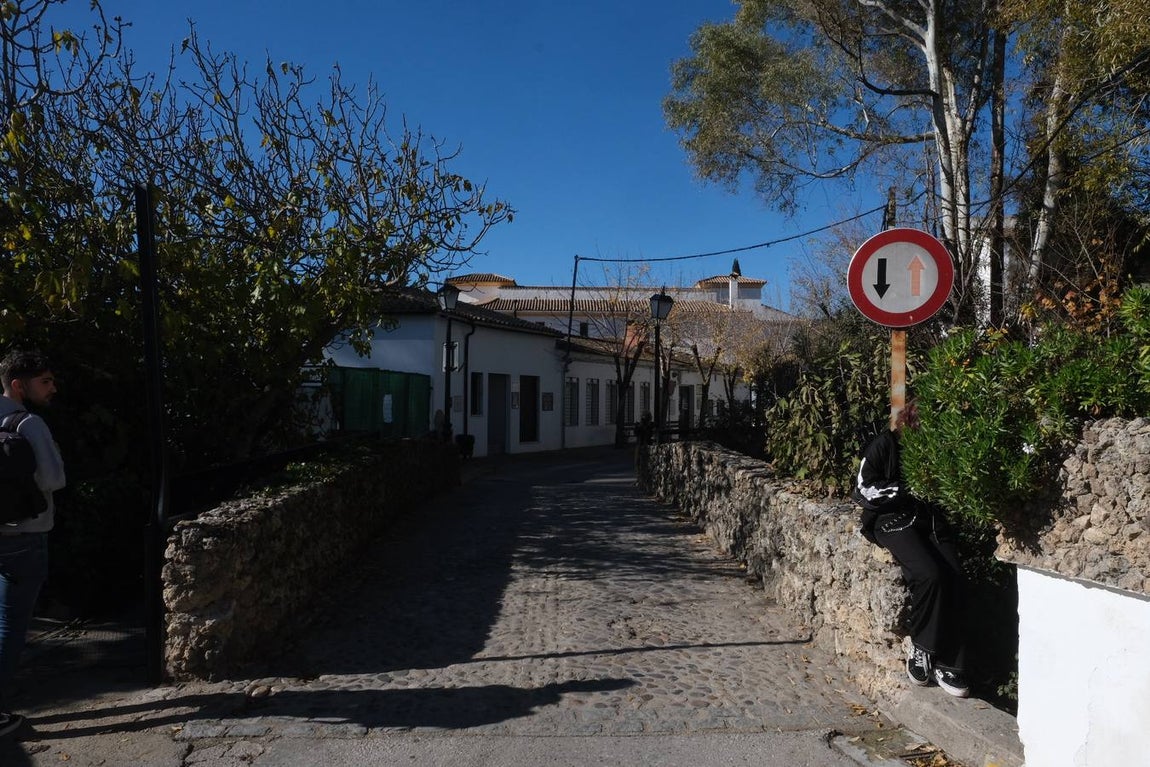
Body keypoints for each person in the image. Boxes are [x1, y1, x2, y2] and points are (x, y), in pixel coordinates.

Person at [852, 402, 969, 698]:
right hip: (891, 521)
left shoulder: (938, 451)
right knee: (928, 574)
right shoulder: (885, 444)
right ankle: (923, 648)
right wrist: (907, 489)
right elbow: (863, 488)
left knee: (956, 577)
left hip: (929, 521)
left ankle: (949, 663)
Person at [0, 349, 66, 738]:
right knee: (10, 625)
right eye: (46, 381)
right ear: (18, 385)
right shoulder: (29, 423)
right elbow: (55, 479)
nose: (53, 388)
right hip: (24, 537)